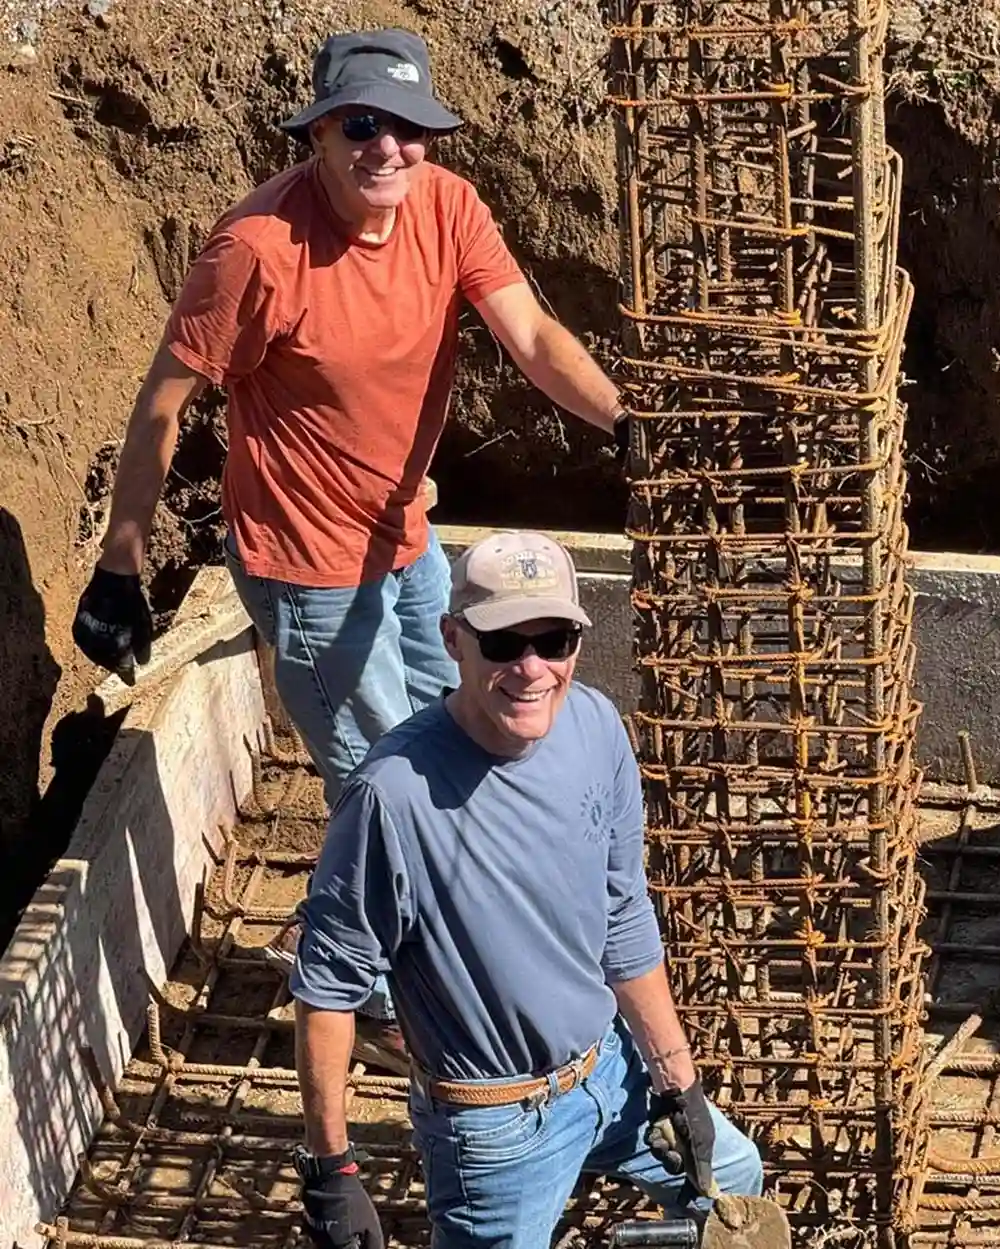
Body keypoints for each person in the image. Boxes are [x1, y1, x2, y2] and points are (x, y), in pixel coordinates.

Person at [69, 28, 632, 1069]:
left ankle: (351, 937)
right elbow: (163, 404)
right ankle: (372, 1002)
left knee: (453, 741)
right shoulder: (256, 249)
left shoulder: (447, 207)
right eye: (362, 125)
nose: (389, 148)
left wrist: (625, 422)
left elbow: (531, 337)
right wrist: (120, 563)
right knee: (385, 785)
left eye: (410, 129)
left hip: (407, 541)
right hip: (306, 570)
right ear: (319, 133)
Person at [288, 530, 765, 1249]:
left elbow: (623, 914)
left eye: (554, 640)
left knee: (735, 1176)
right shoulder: (392, 797)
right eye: (504, 642)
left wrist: (679, 1084)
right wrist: (332, 1170)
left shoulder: (595, 727)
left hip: (609, 1067)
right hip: (496, 1123)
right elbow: (328, 989)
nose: (532, 667)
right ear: (453, 639)